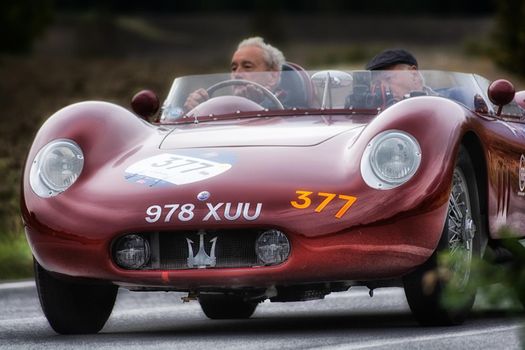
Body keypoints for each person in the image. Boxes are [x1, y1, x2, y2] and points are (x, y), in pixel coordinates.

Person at [183, 37, 286, 111]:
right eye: (234, 68)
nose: (237, 74)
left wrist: (257, 105)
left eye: (247, 67)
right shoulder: (223, 107)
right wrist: (196, 109)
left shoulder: (293, 110)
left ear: (273, 75)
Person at [365, 48, 435, 104]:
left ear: (414, 74)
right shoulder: (374, 112)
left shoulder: (439, 106)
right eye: (377, 83)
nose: (383, 88)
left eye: (388, 78)